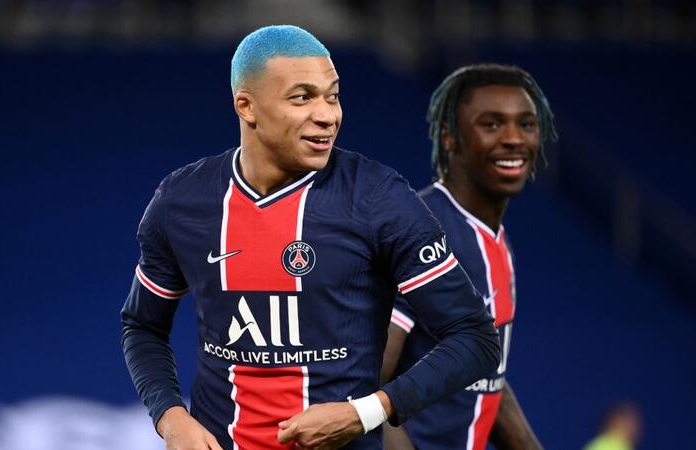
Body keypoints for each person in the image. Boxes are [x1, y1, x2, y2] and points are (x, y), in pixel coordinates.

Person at [121, 26, 500, 450]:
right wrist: (171, 417)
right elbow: (142, 325)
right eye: (302, 97)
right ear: (247, 106)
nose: (327, 116)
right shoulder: (181, 201)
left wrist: (365, 412)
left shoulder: (379, 198)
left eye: (332, 96)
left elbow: (476, 338)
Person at [381, 64, 558, 450]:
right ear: (450, 137)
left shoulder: (495, 240)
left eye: (526, 124)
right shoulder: (421, 232)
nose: (513, 138)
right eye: (491, 124)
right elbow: (362, 390)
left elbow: (487, 376)